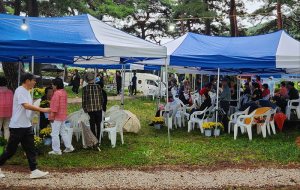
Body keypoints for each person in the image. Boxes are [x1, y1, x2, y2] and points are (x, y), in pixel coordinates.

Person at [0, 73, 51, 179]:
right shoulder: (20, 90)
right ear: (27, 80)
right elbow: (26, 106)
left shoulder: (27, 92)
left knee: (31, 148)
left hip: (26, 125)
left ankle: (34, 170)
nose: (35, 82)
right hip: (17, 126)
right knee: (11, 150)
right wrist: (42, 109)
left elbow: (29, 106)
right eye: (34, 80)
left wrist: (35, 111)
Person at [48, 79, 74, 155]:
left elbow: (56, 105)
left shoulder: (56, 93)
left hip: (56, 116)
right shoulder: (64, 92)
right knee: (62, 131)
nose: (52, 86)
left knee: (54, 133)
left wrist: (52, 115)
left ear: (56, 86)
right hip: (62, 115)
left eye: (53, 85)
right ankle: (69, 146)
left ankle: (56, 150)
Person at [82, 72, 104, 140]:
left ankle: (94, 139)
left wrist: (84, 108)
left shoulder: (85, 88)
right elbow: (101, 97)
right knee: (98, 124)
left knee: (92, 124)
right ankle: (99, 138)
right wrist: (101, 105)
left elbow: (84, 100)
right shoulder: (98, 86)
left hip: (90, 109)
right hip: (98, 108)